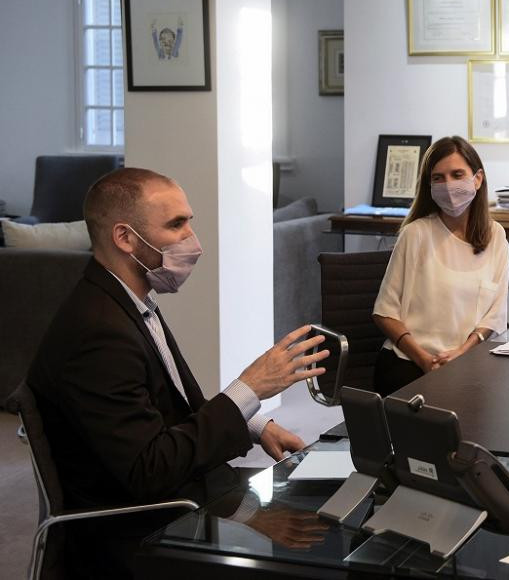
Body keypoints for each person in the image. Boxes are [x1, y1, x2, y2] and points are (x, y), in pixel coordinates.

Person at [26, 167, 329, 577]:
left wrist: (256, 424)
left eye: (189, 222)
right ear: (125, 238)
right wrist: (249, 387)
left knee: (317, 498)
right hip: (141, 528)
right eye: (176, 225)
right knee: (311, 554)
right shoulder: (98, 333)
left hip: (182, 497)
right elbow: (149, 471)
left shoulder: (127, 303)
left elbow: (177, 407)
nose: (192, 240)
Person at [371, 136, 508, 395]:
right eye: (438, 178)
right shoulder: (416, 234)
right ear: (429, 186)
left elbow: (495, 314)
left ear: (477, 179)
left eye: (457, 175)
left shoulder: (496, 235)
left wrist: (460, 355)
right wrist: (425, 359)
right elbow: (384, 312)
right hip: (409, 363)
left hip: (467, 362)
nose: (448, 185)